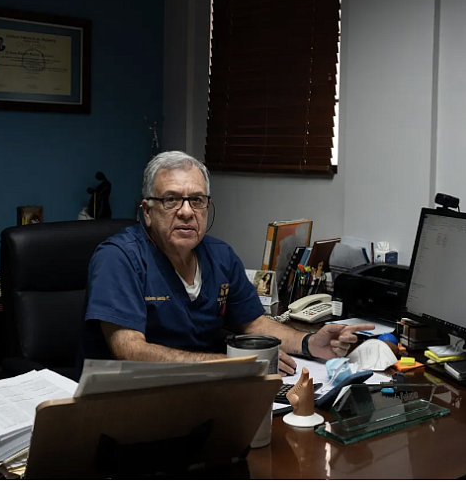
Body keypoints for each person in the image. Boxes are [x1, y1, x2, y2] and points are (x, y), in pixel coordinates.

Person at [76, 151, 372, 379]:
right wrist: (232, 365)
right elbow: (131, 351)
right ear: (147, 211)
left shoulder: (220, 255)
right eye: (170, 200)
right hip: (127, 399)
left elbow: (254, 322)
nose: (186, 212)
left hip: (205, 390)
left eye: (197, 200)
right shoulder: (119, 258)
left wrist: (309, 343)